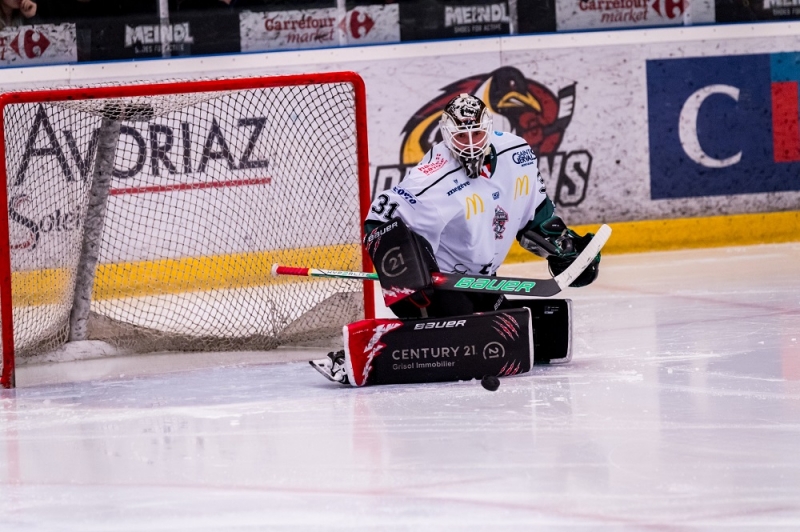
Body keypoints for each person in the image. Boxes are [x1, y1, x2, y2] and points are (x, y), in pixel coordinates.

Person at [312, 93, 601, 383]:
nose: (471, 143)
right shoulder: (432, 176)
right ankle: (366, 353)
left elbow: (536, 215)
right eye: (462, 136)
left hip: (482, 282)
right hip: (438, 285)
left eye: (477, 133)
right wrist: (409, 272)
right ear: (447, 134)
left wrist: (563, 246)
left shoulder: (517, 153)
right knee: (469, 338)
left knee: (520, 335)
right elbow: (378, 220)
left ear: (488, 128)